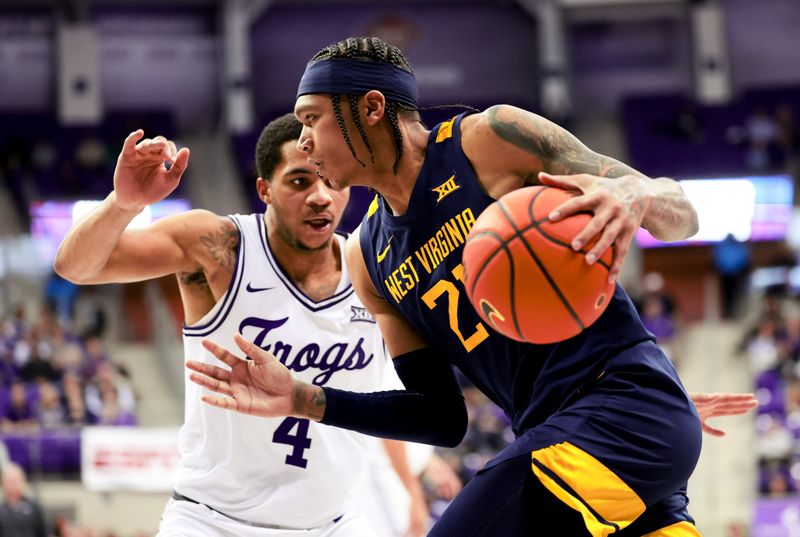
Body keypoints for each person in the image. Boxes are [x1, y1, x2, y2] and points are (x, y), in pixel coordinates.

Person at [186, 37, 759, 536]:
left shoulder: (489, 141)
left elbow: (681, 214)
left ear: (371, 107)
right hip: (566, 433)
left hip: (623, 406)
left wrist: (636, 196)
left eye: (311, 118)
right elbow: (441, 417)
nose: (303, 139)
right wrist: (304, 399)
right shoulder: (367, 257)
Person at [54, 113, 428, 536]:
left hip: (333, 524)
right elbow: (75, 267)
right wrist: (124, 205)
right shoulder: (219, 247)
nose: (320, 196)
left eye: (328, 180)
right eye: (300, 181)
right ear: (264, 189)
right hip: (212, 522)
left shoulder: (376, 268)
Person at [0, 462, 50, 537]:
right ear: (3, 483)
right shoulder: (1, 511)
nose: (14, 485)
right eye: (10, 481)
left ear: (23, 481)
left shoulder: (35, 508)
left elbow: (44, 533)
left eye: (16, 480)